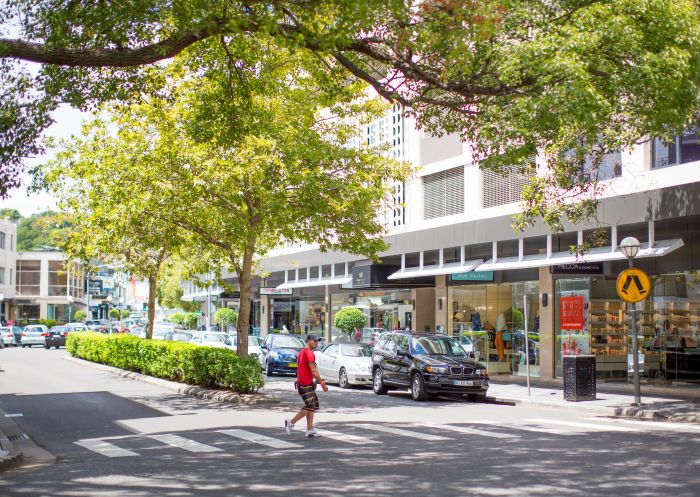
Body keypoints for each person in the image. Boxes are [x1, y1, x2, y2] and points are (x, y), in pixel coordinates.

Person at [285, 334, 329, 438]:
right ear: (309, 341)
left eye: (317, 341)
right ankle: (291, 422)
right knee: (310, 406)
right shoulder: (309, 353)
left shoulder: (302, 352)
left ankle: (309, 430)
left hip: (304, 383)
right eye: (315, 341)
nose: (316, 343)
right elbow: (313, 370)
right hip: (305, 385)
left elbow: (301, 368)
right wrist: (322, 383)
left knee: (312, 406)